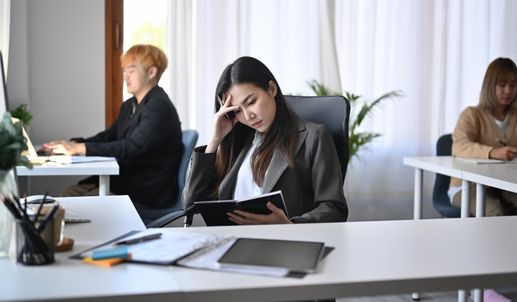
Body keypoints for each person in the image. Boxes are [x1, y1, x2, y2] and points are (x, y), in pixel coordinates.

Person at [183, 56, 348, 224]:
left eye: (252, 102)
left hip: (285, 243)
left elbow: (334, 209)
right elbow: (190, 205)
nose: (248, 116)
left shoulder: (314, 137)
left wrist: (289, 225)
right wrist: (216, 139)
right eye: (238, 111)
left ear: (271, 89)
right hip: (234, 242)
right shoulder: (240, 143)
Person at [42, 44, 183, 209]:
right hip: (128, 180)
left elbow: (132, 147)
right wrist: (74, 143)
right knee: (68, 195)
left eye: (131, 70)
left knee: (69, 201)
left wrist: (81, 148)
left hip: (147, 190)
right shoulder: (130, 105)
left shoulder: (158, 106)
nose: (125, 76)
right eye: (124, 71)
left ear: (151, 72)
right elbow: (110, 136)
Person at [450, 57, 517, 302]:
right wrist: (493, 152)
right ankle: (484, 287)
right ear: (490, 86)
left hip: (506, 186)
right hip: (466, 187)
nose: (508, 91)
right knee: (494, 213)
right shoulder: (472, 115)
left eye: (513, 85)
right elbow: (460, 146)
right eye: (502, 84)